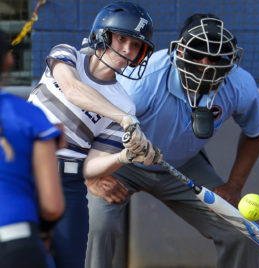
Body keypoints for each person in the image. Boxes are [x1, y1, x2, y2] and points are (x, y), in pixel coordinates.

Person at [85, 13, 259, 268]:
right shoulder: (144, 78)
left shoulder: (239, 84)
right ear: (179, 51)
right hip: (120, 160)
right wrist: (91, 176)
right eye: (196, 54)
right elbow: (88, 122)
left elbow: (256, 130)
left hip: (182, 164)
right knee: (97, 225)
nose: (206, 64)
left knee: (244, 230)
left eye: (216, 57)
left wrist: (235, 185)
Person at [28, 2, 159, 268]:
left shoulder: (125, 104)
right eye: (122, 38)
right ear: (102, 34)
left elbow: (89, 167)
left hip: (67, 185)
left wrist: (125, 155)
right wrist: (124, 120)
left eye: (136, 46)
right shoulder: (67, 54)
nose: (127, 50)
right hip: (21, 169)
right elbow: (73, 90)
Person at [0, 29, 64, 268]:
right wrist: (45, 233)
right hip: (16, 242)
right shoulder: (29, 117)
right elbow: (52, 206)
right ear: (8, 60)